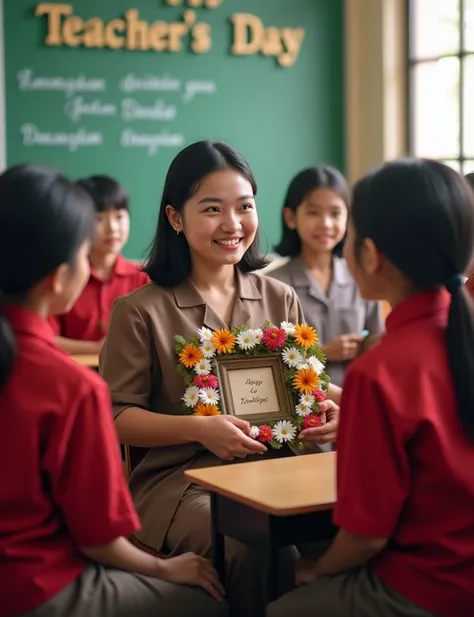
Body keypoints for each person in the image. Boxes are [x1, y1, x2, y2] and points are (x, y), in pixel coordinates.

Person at [99, 141, 341, 617]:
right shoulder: (139, 310)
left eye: (244, 206)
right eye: (212, 209)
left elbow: (308, 385)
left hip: (284, 466)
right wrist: (198, 428)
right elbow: (115, 415)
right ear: (175, 217)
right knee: (250, 545)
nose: (233, 224)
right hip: (186, 481)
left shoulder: (280, 295)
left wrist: (337, 406)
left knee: (353, 525)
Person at [0, 164, 227, 617]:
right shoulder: (70, 386)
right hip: (34, 584)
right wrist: (165, 568)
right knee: (210, 598)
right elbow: (100, 540)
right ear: (59, 276)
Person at [268, 158, 474, 617]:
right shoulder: (445, 341)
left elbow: (365, 537)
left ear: (370, 254)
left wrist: (319, 571)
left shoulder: (379, 372)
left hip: (427, 584)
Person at [269, 166, 383, 388]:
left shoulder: (364, 276)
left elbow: (378, 340)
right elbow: (269, 358)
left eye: (335, 213)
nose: (326, 224)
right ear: (291, 217)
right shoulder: (273, 284)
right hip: (300, 408)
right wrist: (323, 352)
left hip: (359, 398)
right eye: (313, 213)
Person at [50, 175, 149, 355]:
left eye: (119, 216)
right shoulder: (62, 278)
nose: (112, 228)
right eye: (99, 218)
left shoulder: (144, 279)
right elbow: (46, 338)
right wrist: (95, 349)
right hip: (75, 374)